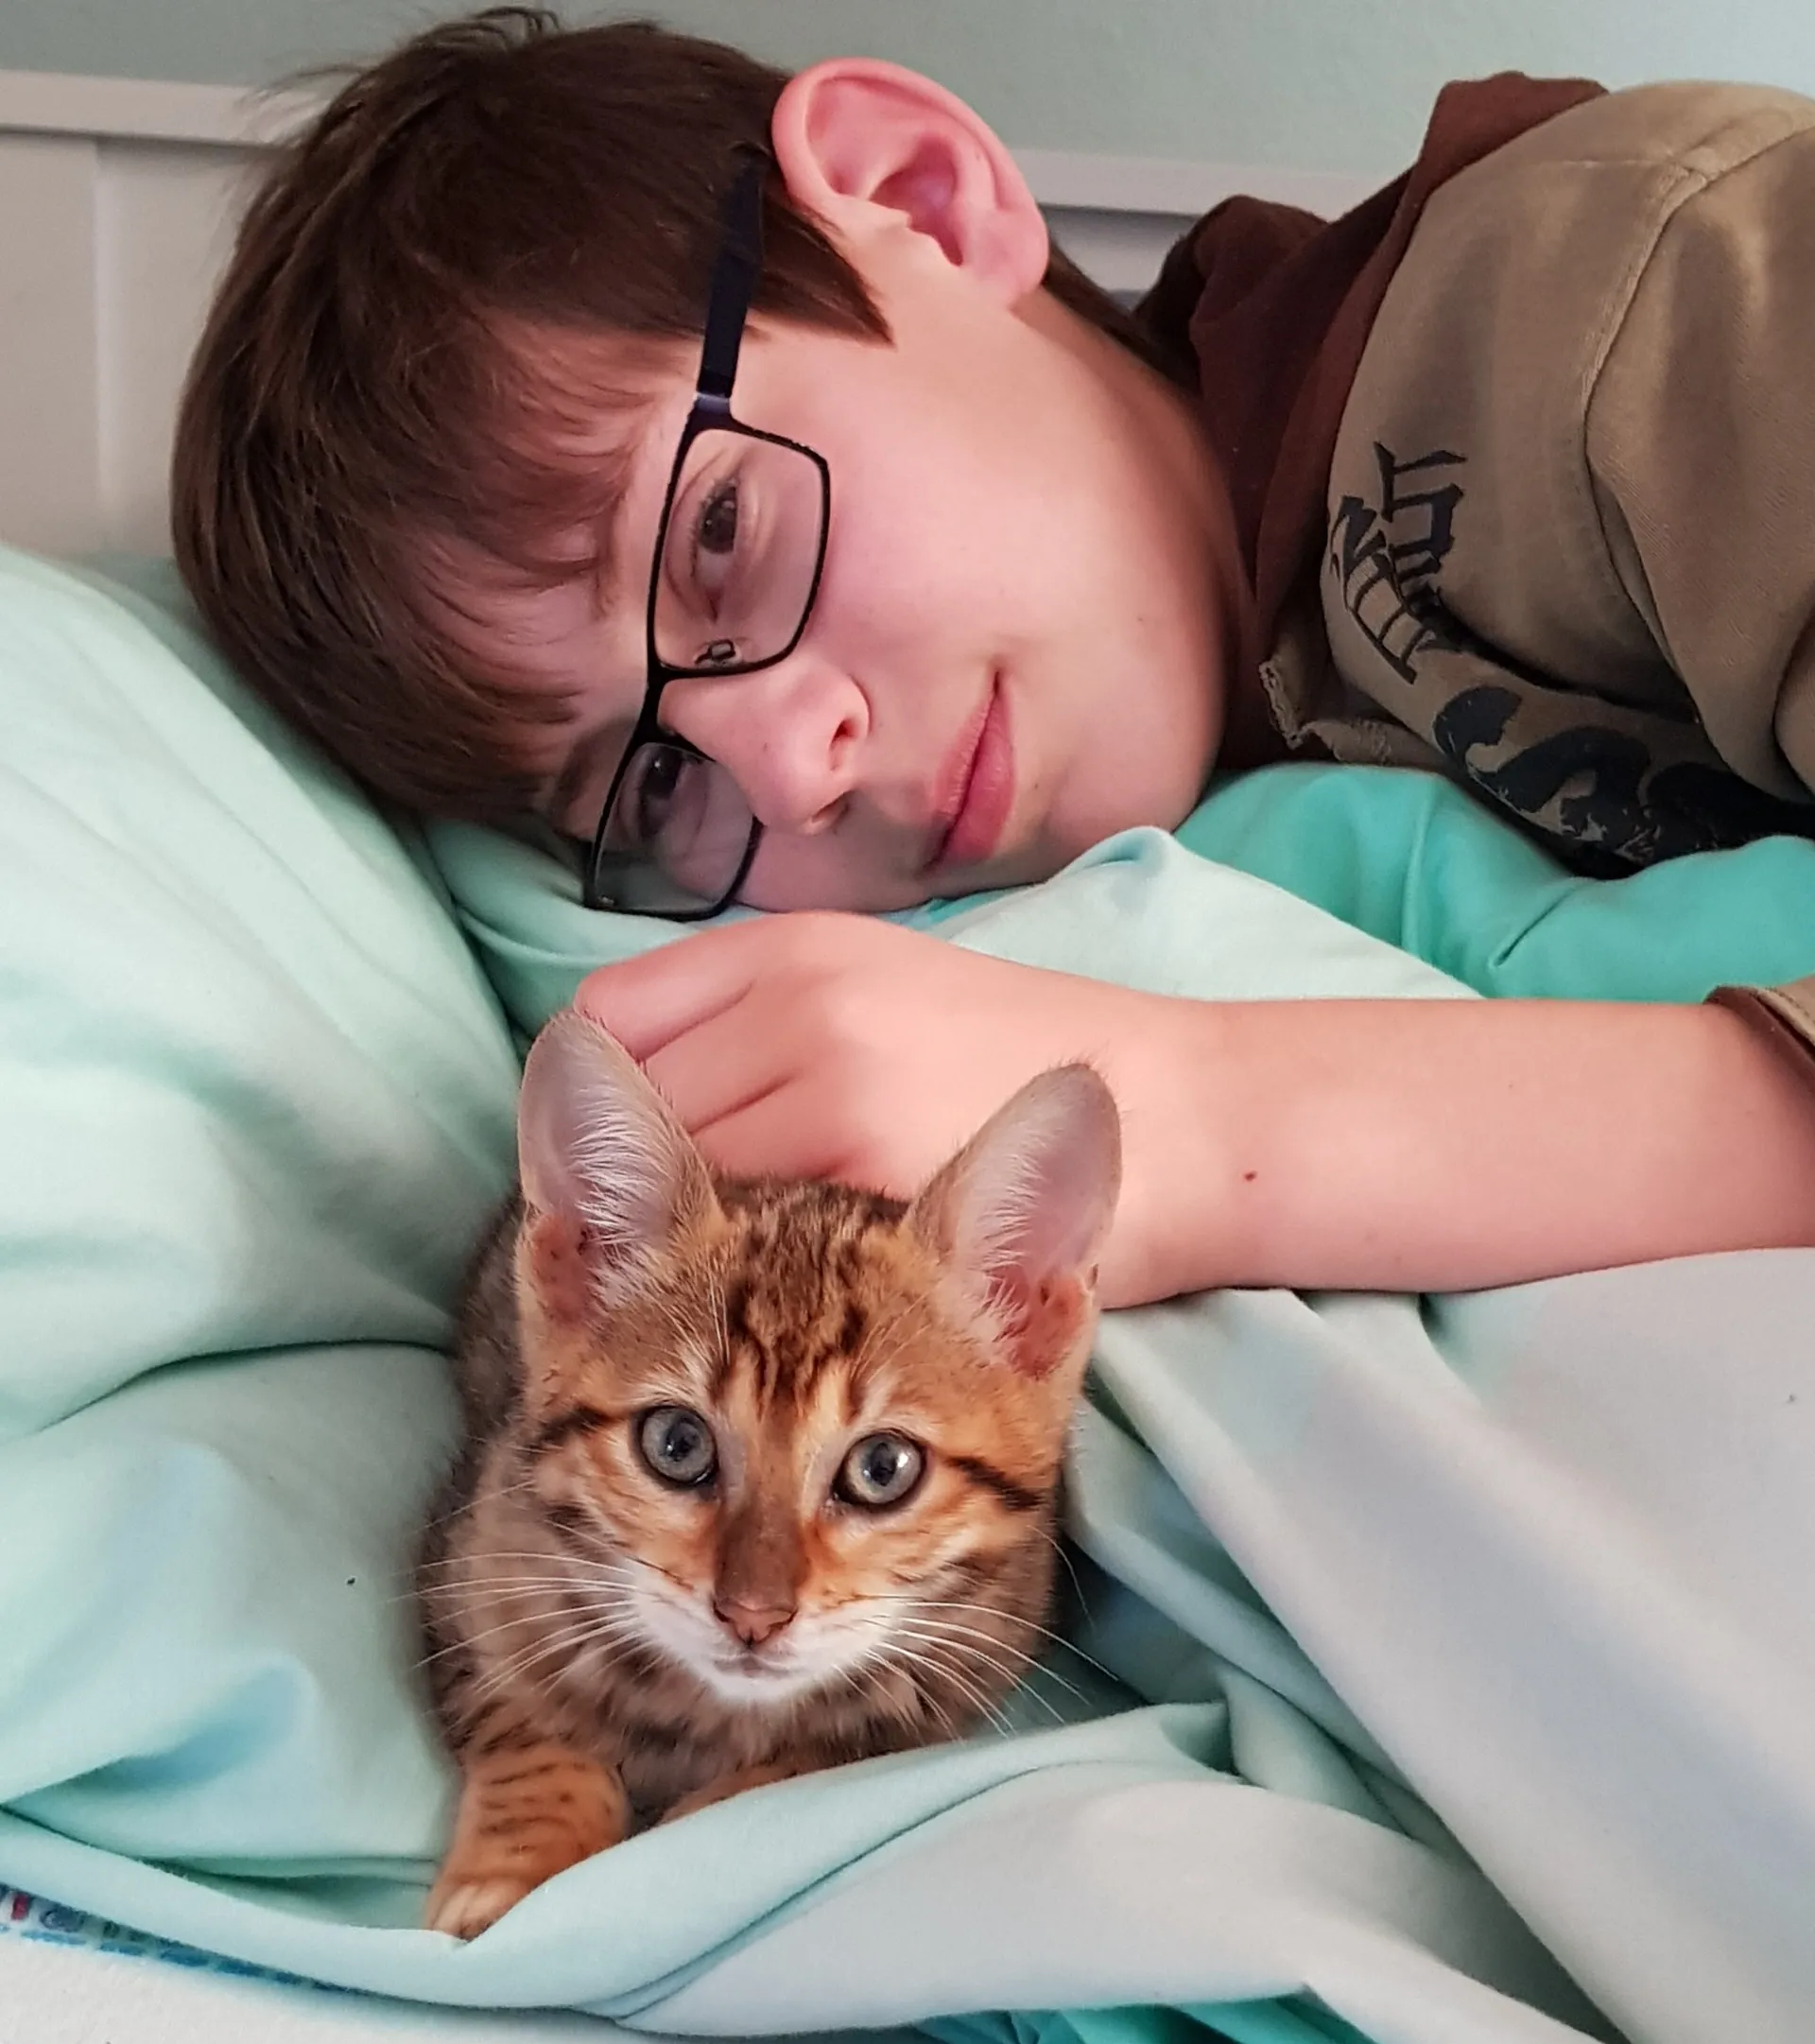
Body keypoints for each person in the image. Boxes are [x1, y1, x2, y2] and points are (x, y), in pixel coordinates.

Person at [169, 9, 1815, 1306]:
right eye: (653, 786)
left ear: (919, 200)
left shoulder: (1619, 295)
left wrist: (1212, 1125)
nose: (789, 770)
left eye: (721, 538)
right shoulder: (1110, 878)